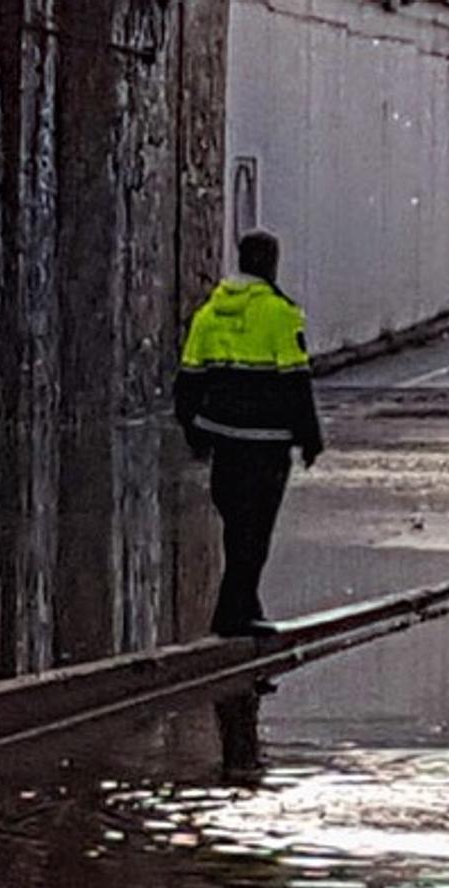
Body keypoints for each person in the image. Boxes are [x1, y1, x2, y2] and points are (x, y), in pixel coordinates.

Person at [176, 231, 324, 638]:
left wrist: (193, 429)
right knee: (255, 533)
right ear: (271, 263)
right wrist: (310, 437)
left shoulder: (210, 313)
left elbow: (187, 380)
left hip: (224, 440)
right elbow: (297, 382)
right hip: (267, 442)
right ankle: (232, 615)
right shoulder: (280, 314)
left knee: (235, 528)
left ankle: (246, 604)